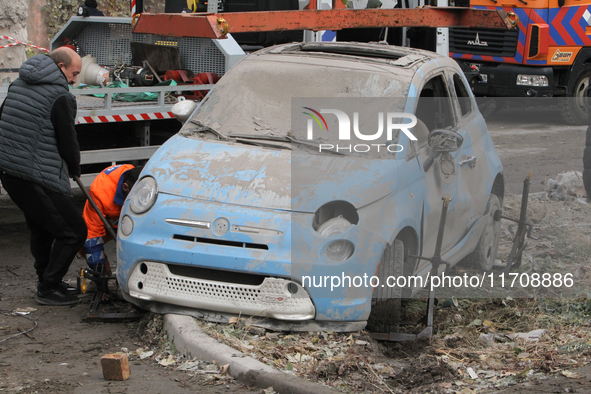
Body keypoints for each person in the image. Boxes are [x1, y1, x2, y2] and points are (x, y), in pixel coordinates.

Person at [0, 47, 87, 306]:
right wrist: (74, 166)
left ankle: (46, 280)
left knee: (43, 227)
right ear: (60, 67)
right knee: (74, 230)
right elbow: (67, 141)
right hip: (34, 175)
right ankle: (49, 287)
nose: (74, 80)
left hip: (11, 172)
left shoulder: (19, 83)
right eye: (74, 74)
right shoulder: (60, 95)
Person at [82, 164, 141, 274]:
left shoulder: (147, 180)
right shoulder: (100, 192)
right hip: (111, 221)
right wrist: (99, 270)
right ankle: (103, 273)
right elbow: (92, 235)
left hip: (135, 221)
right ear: (125, 187)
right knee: (85, 243)